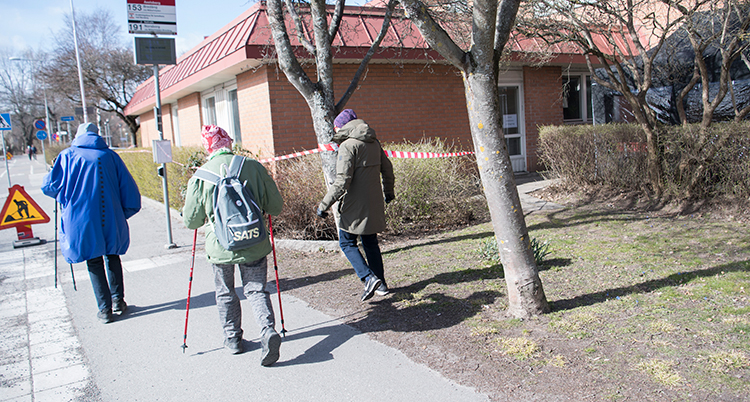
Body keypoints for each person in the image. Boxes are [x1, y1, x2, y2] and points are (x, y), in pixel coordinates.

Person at [183, 125, 284, 365]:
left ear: (207, 147)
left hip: (221, 247)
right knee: (256, 289)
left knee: (225, 291)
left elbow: (191, 221)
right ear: (229, 141)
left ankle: (233, 339)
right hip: (253, 240)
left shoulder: (200, 177)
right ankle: (267, 330)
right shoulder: (252, 167)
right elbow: (275, 207)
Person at [42, 123, 141, 324]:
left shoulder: (67, 156)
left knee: (93, 259)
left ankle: (104, 310)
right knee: (112, 255)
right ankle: (118, 301)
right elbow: (128, 189)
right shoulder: (111, 156)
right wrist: (123, 213)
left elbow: (49, 186)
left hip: (81, 218)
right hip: (111, 215)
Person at [316, 109, 395, 302]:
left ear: (342, 126)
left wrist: (324, 204)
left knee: (347, 242)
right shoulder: (374, 142)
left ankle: (368, 278)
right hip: (373, 203)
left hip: (353, 206)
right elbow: (388, 170)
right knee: (370, 243)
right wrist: (389, 193)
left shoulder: (348, 146)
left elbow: (342, 180)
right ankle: (381, 284)